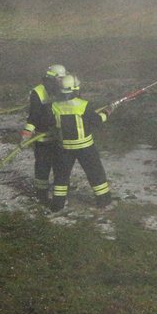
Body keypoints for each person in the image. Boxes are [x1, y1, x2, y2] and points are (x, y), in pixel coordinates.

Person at [48, 74, 112, 211]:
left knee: (61, 176)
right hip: (85, 147)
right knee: (95, 173)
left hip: (64, 148)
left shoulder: (54, 106)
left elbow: (52, 123)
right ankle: (103, 201)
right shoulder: (84, 105)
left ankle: (57, 204)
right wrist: (107, 112)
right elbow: (97, 120)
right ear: (75, 89)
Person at [21, 63, 67, 203]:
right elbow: (33, 116)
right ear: (51, 78)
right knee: (42, 167)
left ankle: (60, 197)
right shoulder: (38, 92)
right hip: (43, 138)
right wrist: (26, 134)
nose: (62, 81)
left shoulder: (65, 89)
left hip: (60, 138)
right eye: (60, 78)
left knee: (61, 167)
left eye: (63, 78)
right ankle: (41, 195)